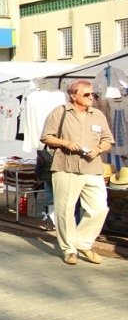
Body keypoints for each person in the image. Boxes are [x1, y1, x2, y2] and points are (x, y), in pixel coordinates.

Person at [40, 79, 113, 266]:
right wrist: (66, 143)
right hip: (66, 166)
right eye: (87, 94)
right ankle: (69, 249)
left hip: (92, 167)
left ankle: (82, 242)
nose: (91, 97)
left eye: (93, 94)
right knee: (65, 209)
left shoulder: (97, 115)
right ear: (73, 96)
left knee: (99, 208)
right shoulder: (60, 112)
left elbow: (108, 140)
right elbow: (46, 137)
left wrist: (98, 149)